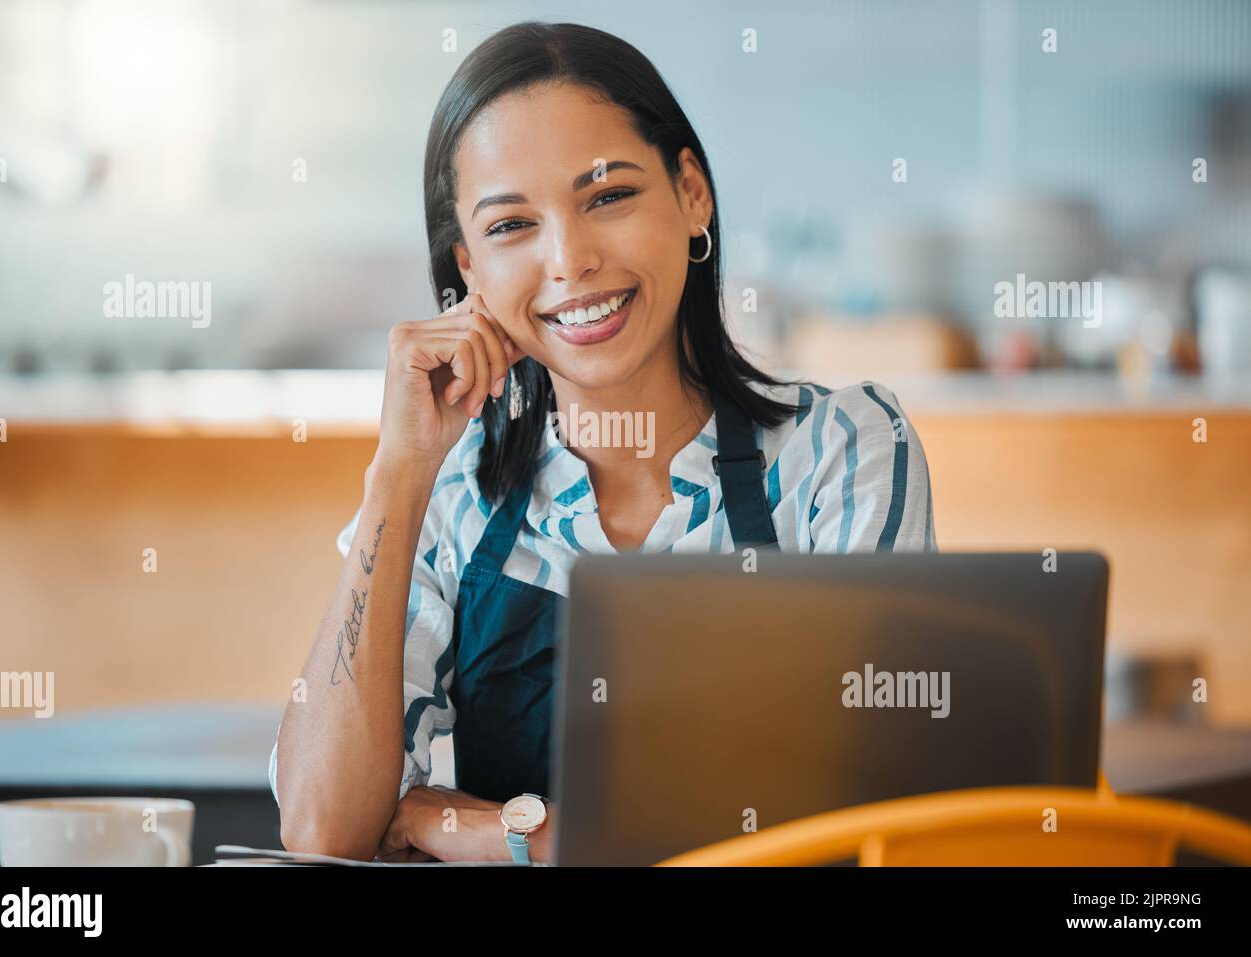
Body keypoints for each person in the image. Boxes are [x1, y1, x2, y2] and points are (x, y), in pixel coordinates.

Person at [271, 20, 937, 864]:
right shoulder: (451, 500)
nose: (571, 259)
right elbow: (325, 826)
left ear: (691, 193)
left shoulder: (842, 451)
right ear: (468, 270)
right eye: (511, 226)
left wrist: (502, 828)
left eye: (609, 197)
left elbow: (877, 816)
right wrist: (398, 473)